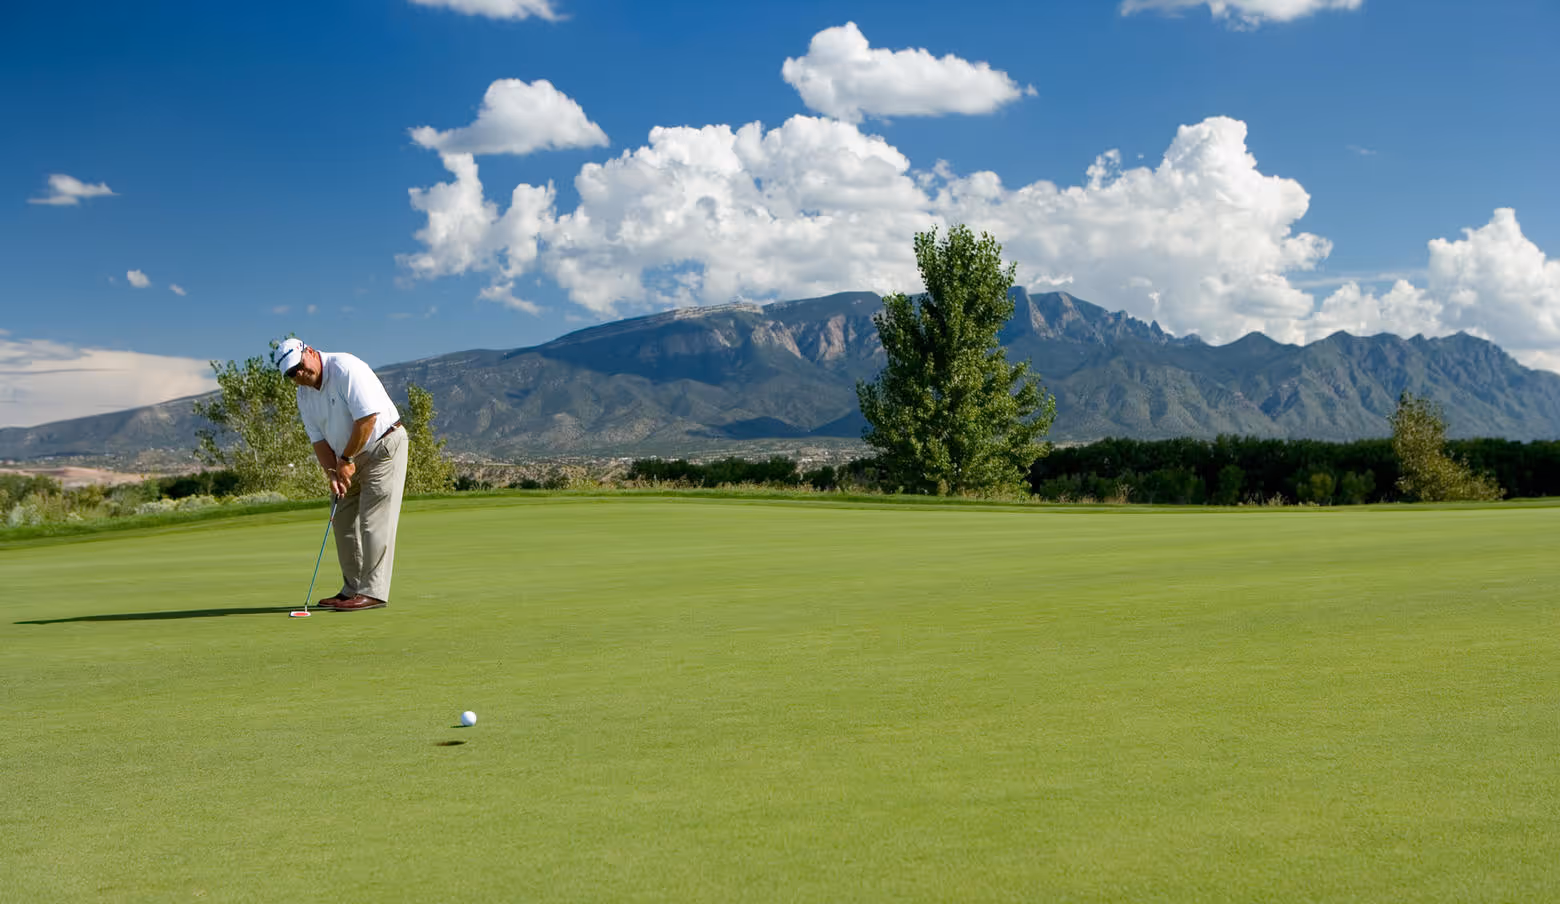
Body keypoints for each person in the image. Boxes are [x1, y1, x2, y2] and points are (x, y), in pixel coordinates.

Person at [275, 337, 408, 612]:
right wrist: (332, 473)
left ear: (310, 352)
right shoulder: (304, 395)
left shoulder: (346, 368)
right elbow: (318, 440)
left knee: (373, 522)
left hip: (382, 447)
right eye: (291, 373)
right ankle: (352, 590)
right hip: (346, 456)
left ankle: (373, 592)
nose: (299, 374)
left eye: (299, 366)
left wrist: (346, 459)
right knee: (342, 520)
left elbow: (367, 418)